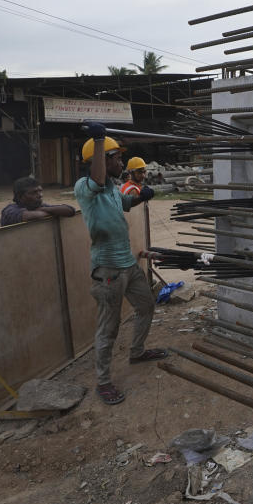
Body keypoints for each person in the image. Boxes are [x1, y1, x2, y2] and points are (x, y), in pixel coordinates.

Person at [75, 122, 167, 405]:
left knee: (146, 305)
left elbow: (126, 204)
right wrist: (100, 139)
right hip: (108, 270)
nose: (122, 162)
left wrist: (141, 197)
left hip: (127, 264)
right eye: (116, 157)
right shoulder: (86, 187)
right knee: (109, 327)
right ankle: (103, 382)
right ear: (100, 160)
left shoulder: (114, 189)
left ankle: (137, 352)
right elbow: (98, 181)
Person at [0, 177, 75, 227]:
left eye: (40, 191)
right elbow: (33, 216)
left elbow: (70, 210)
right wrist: (52, 211)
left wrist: (45, 209)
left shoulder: (39, 206)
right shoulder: (9, 211)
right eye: (34, 193)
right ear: (20, 196)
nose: (40, 195)